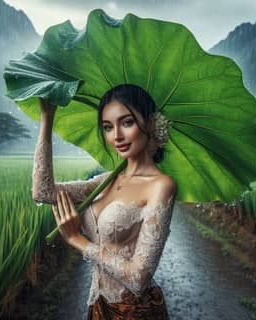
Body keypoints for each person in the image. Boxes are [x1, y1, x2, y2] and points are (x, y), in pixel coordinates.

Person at [32, 83, 178, 319]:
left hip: (135, 311)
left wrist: (76, 240)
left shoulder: (161, 186)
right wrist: (46, 120)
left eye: (127, 122)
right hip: (98, 304)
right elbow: (43, 192)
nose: (116, 136)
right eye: (108, 127)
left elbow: (138, 278)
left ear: (151, 123)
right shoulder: (104, 181)